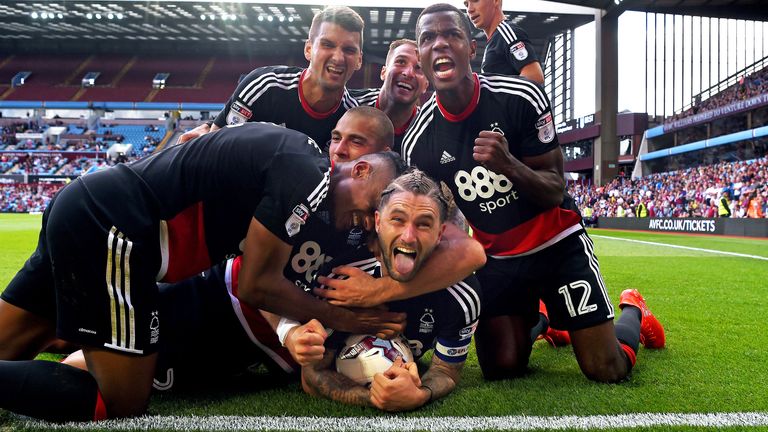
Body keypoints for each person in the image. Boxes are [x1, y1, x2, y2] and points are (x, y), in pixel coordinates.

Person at [321, 3, 665, 384]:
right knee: (501, 368)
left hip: (557, 244)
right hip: (498, 258)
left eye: (451, 35)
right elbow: (437, 222)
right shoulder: (419, 142)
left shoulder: (520, 97)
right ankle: (544, 317)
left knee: (607, 369)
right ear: (421, 55)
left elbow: (555, 189)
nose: (440, 45)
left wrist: (509, 165)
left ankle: (633, 308)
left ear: (472, 47)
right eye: (428, 39)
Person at [0, 120, 408, 422]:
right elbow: (255, 284)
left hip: (87, 205)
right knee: (121, 401)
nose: (371, 220)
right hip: (117, 227)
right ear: (359, 170)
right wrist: (343, 317)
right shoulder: (310, 177)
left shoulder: (299, 163)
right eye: (377, 206)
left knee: (7, 344)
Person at [59, 107, 484, 395]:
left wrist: (381, 291)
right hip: (220, 302)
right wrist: (292, 329)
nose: (337, 151)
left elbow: (469, 252)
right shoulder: (304, 193)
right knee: (102, 358)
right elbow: (255, 280)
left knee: (110, 347)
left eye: (355, 145)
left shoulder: (375, 218)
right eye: (335, 139)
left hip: (259, 351)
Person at [301, 169, 481, 411]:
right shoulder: (340, 280)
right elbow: (312, 375)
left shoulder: (462, 294)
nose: (408, 236)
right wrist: (373, 398)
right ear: (377, 222)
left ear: (440, 235)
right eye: (397, 219)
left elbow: (446, 370)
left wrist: (420, 394)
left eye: (423, 225)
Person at [178, 6, 365, 146]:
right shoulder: (264, 86)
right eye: (327, 45)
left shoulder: (349, 118)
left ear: (359, 60)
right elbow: (216, 148)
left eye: (349, 50)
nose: (338, 58)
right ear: (308, 49)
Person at [351, 39, 430, 150]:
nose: (409, 73)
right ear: (383, 72)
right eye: (401, 62)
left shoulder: (430, 131)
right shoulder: (349, 106)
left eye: (419, 68)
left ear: (426, 85)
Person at [463, 0, 544, 83]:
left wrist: (501, 94)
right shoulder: (495, 39)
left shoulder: (507, 33)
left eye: (475, 0)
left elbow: (535, 76)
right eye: (466, 4)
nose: (469, 9)